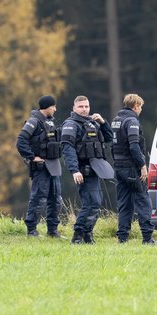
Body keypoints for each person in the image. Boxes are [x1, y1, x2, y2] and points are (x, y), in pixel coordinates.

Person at [61, 95, 114, 244]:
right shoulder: (71, 124)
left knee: (95, 202)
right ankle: (77, 236)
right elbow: (67, 148)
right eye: (81, 107)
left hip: (95, 170)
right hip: (82, 171)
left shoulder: (93, 123)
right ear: (74, 108)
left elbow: (109, 138)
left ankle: (87, 234)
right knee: (91, 203)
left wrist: (103, 123)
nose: (84, 109)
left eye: (86, 106)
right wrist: (74, 170)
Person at [111, 93, 157, 244]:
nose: (141, 110)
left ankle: (122, 238)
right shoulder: (132, 121)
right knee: (143, 201)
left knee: (124, 203)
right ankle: (147, 238)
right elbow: (134, 146)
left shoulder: (116, 120)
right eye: (140, 106)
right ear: (136, 105)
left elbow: (113, 145)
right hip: (131, 168)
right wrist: (142, 165)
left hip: (119, 167)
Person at [16, 95, 64, 238]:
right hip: (41, 167)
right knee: (38, 199)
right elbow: (21, 141)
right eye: (53, 106)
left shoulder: (50, 122)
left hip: (54, 166)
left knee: (56, 200)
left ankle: (53, 231)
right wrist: (32, 157)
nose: (55, 109)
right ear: (47, 107)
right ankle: (32, 230)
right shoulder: (34, 121)